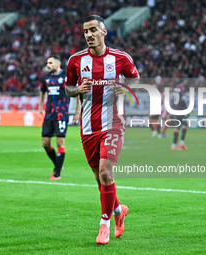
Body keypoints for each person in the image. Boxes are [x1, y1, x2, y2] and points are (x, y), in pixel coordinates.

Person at [65, 15, 139, 244]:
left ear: (104, 32)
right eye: (86, 31)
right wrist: (77, 89)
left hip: (113, 123)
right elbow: (67, 88)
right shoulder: (76, 61)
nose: (89, 34)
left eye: (93, 30)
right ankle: (119, 212)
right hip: (88, 127)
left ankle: (103, 225)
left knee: (107, 173)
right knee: (100, 180)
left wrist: (124, 89)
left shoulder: (120, 58)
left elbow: (135, 79)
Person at [38, 55, 79, 180]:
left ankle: (57, 173)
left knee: (60, 142)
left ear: (57, 64)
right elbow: (42, 92)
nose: (48, 65)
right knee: (45, 143)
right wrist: (40, 107)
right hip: (49, 114)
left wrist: (77, 113)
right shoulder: (46, 78)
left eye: (50, 63)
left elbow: (76, 93)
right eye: (47, 63)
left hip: (61, 114)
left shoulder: (66, 78)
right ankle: (58, 165)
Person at [170, 83, 189, 151]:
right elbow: (183, 101)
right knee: (178, 127)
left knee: (185, 124)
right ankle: (174, 145)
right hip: (180, 111)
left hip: (177, 110)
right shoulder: (181, 94)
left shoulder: (176, 92)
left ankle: (181, 143)